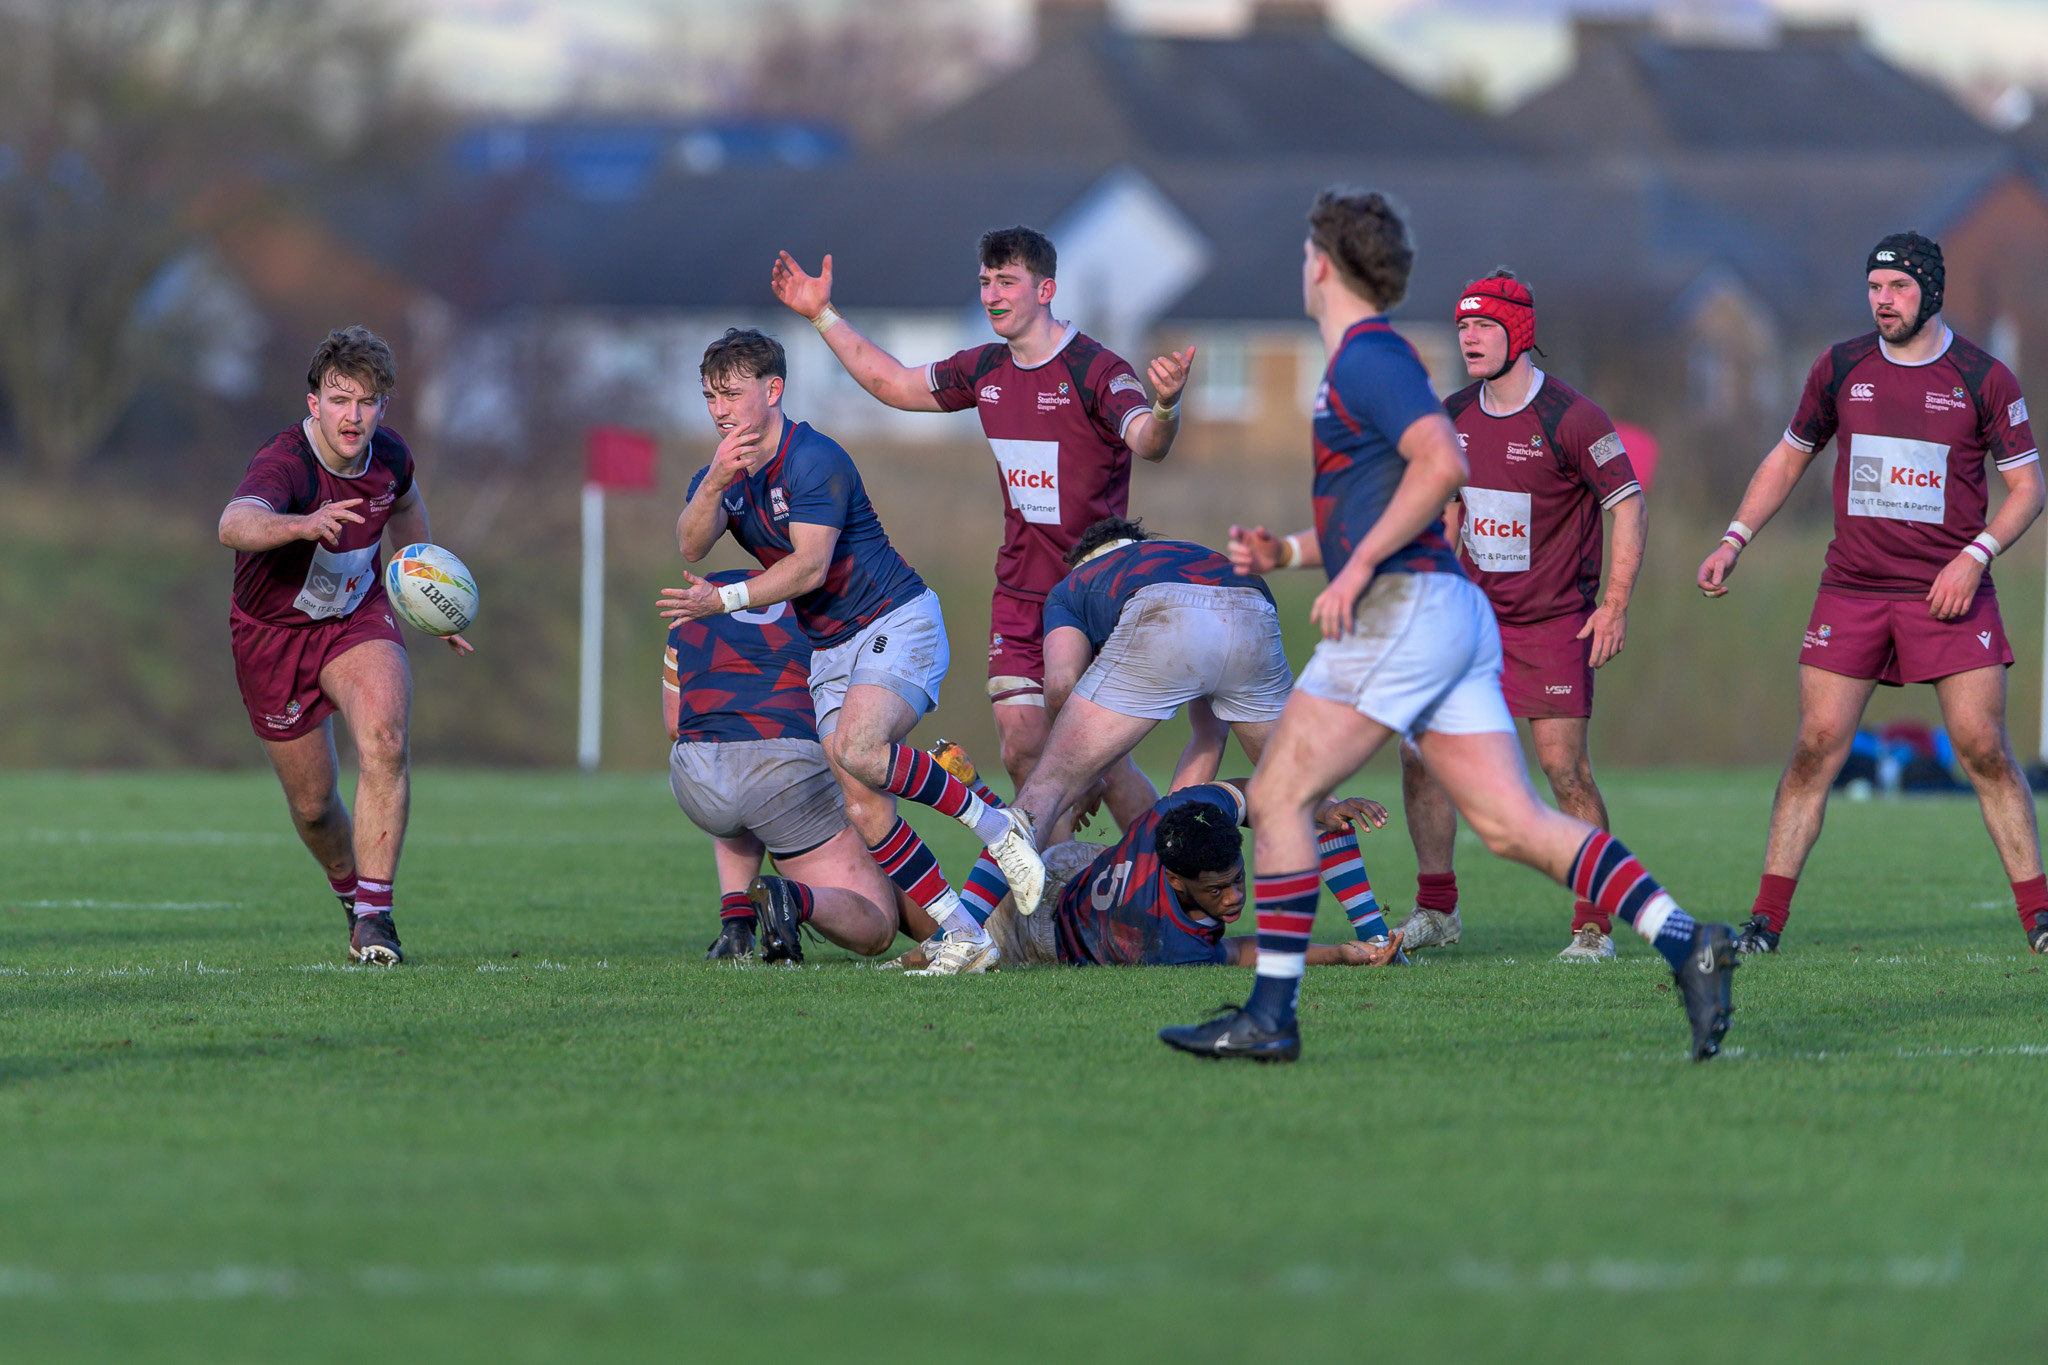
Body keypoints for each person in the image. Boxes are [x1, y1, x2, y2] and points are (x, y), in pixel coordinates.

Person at [1158, 188, 1737, 1064]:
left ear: (1326, 266)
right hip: (1455, 609)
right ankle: (1689, 940)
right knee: (1510, 823)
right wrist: (1294, 550)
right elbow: (1391, 505)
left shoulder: (1368, 359)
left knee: (1278, 796)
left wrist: (1358, 566)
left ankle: (1271, 1015)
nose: (1302, 264)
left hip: (1408, 610)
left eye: (1308, 252)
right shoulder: (1374, 362)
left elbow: (1439, 466)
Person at [1234, 269, 1648, 962]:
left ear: (1519, 332)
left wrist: (1615, 603)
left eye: (1485, 325)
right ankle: (1438, 909)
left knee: (1564, 768)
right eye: (1463, 326)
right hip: (1470, 620)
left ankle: (1592, 926)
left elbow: (1628, 504)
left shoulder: (1574, 418)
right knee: (1418, 755)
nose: (1470, 338)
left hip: (1553, 623)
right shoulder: (1450, 416)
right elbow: (1440, 514)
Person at [1697, 231, 2048, 955]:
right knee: (1815, 747)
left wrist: (1974, 558)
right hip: (1853, 591)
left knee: (1984, 749)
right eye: (1874, 288)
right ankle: (1764, 924)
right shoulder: (1839, 367)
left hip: (1951, 593)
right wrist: (1734, 539)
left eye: (1898, 288)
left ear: (1931, 291)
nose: (1883, 301)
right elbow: (1787, 460)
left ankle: (2041, 919)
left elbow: (2027, 490)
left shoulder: (1984, 377)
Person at [769, 226, 1191, 825]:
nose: (992, 294)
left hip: (1093, 591)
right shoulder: (985, 368)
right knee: (1021, 749)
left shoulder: (1095, 369)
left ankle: (1167, 870)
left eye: (1007, 281)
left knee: (1100, 760)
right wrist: (821, 314)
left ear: (1045, 290)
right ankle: (1056, 883)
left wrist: (1167, 405)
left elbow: (1149, 441)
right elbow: (893, 383)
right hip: (1020, 592)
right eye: (986, 282)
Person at [662, 328, 1044, 977]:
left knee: (860, 750)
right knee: (865, 805)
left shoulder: (814, 459)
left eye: (731, 394)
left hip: (896, 619)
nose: (719, 410)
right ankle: (963, 936)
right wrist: (714, 481)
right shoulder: (724, 474)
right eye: (709, 397)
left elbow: (809, 567)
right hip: (831, 648)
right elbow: (691, 544)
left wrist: (722, 601)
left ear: (773, 390)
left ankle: (999, 826)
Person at [217, 326, 471, 966]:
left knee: (385, 738)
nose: (352, 416)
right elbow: (233, 524)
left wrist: (427, 590)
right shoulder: (286, 463)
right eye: (339, 400)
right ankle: (351, 894)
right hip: (272, 638)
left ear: (383, 405)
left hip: (357, 620)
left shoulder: (391, 456)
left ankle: (376, 920)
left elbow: (406, 506)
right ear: (315, 404)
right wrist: (301, 524)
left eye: (366, 401)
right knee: (312, 807)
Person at [662, 567, 926, 964]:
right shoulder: (831, 599)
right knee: (878, 925)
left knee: (735, 753)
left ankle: (736, 925)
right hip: (788, 773)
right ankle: (790, 898)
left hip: (695, 775)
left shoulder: (703, 593)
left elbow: (674, 725)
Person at [882, 783, 1404, 970]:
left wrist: (1319, 809)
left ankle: (987, 799)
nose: (1234, 898)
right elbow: (1246, 952)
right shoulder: (1169, 942)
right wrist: (1338, 954)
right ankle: (883, 889)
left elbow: (1244, 793)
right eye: (1216, 889)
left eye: (1237, 880)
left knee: (1053, 842)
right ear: (1176, 881)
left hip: (1077, 865)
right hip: (1039, 931)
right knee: (950, 943)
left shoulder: (1174, 815)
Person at [1007, 515, 1294, 852]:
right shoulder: (1183, 552)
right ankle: (1163, 853)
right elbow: (1211, 734)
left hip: (1161, 611)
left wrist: (1082, 777)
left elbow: (1060, 684)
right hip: (1253, 608)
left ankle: (983, 889)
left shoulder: (1074, 584)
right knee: (1304, 788)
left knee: (1044, 791)